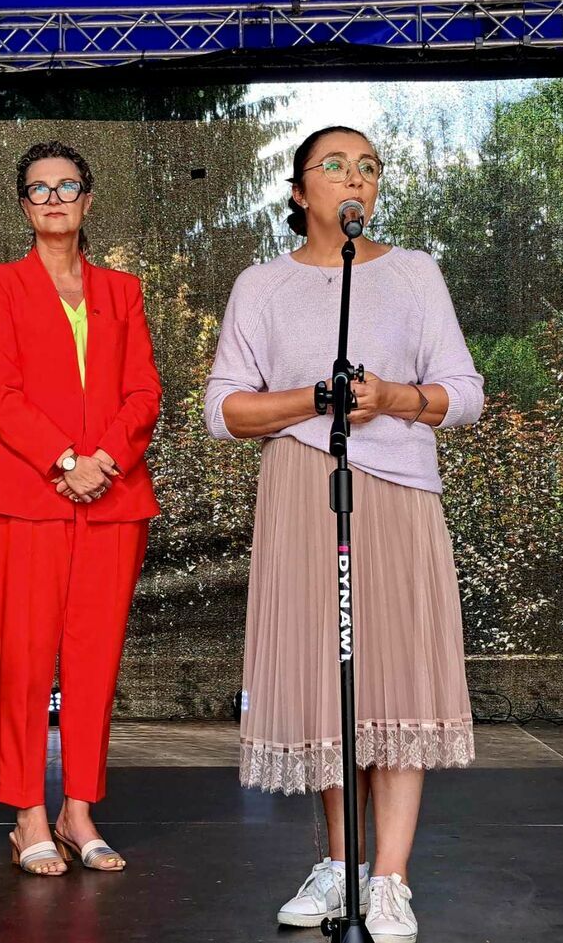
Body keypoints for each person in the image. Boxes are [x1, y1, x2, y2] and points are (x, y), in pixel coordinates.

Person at [205, 125, 483, 942]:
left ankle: (389, 879)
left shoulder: (415, 273)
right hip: (304, 492)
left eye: (368, 166)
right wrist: (316, 398)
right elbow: (225, 410)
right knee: (333, 683)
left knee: (394, 683)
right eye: (334, 165)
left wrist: (392, 397)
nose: (354, 177)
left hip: (399, 493)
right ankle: (342, 864)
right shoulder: (261, 285)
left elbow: (465, 393)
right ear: (299, 192)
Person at [0, 141, 161, 876]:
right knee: (25, 659)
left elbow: (143, 391)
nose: (54, 198)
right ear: (25, 205)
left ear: (87, 200)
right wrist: (63, 461)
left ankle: (78, 812)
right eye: (40, 188)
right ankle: (27, 817)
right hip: (26, 496)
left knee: (94, 659)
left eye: (67, 185)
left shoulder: (123, 290)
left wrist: (103, 461)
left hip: (113, 496)